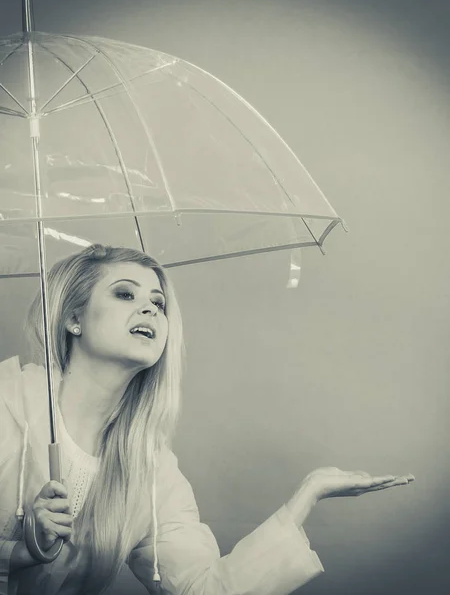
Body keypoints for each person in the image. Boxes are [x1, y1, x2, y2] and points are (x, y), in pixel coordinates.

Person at [0, 244, 414, 595]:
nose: (149, 307)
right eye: (125, 294)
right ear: (73, 319)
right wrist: (23, 549)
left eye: (158, 303)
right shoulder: (7, 402)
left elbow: (203, 588)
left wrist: (307, 495)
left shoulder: (149, 466)